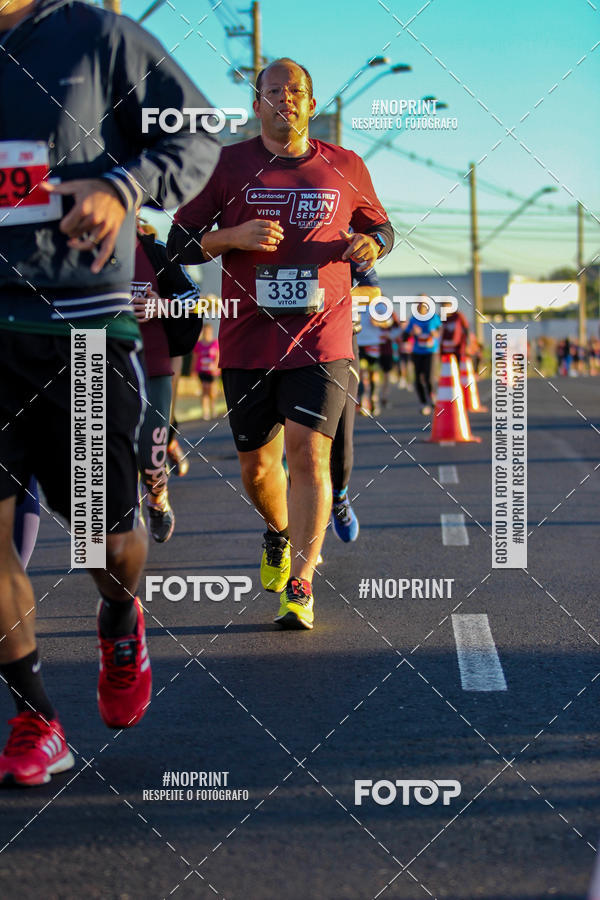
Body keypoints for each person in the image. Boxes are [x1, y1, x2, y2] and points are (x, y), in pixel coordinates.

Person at [0, 0, 220, 786]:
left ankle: (121, 618)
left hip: (79, 328)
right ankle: (36, 719)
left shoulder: (98, 37)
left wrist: (125, 187)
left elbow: (194, 136)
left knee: (102, 539)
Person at [168, 57, 392, 630]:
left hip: (322, 335)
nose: (284, 99)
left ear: (310, 105)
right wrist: (234, 236)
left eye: (295, 92)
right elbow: (179, 243)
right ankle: (277, 531)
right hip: (248, 336)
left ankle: (301, 582)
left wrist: (372, 247)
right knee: (258, 470)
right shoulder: (226, 165)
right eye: (273, 91)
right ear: (257, 104)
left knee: (307, 453)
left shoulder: (346, 165)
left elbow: (381, 228)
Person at [132, 218, 201, 543]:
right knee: (97, 464)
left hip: (152, 365)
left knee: (150, 455)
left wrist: (163, 306)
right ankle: (112, 559)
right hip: (94, 367)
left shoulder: (154, 251)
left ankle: (157, 499)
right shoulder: (76, 254)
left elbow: (193, 296)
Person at [329, 263, 380, 543]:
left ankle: (339, 497)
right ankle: (289, 532)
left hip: (340, 340)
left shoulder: (345, 236)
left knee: (340, 436)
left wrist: (321, 296)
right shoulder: (272, 228)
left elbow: (372, 292)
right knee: (292, 444)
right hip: (280, 341)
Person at [404, 298, 441, 415]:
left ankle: (432, 397)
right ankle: (423, 402)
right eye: (419, 305)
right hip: (417, 352)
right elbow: (405, 336)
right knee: (418, 378)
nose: (421, 308)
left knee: (429, 377)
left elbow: (439, 333)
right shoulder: (414, 319)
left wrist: (433, 333)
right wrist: (413, 332)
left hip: (430, 351)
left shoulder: (434, 318)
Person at [193, 323, 220, 420]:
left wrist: (216, 367)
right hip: (202, 370)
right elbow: (195, 358)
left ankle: (213, 407)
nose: (206, 333)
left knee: (211, 391)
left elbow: (218, 357)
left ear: (211, 332)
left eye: (208, 331)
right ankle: (205, 412)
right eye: (205, 331)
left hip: (212, 372)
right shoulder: (198, 345)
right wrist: (193, 370)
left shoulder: (215, 343)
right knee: (204, 389)